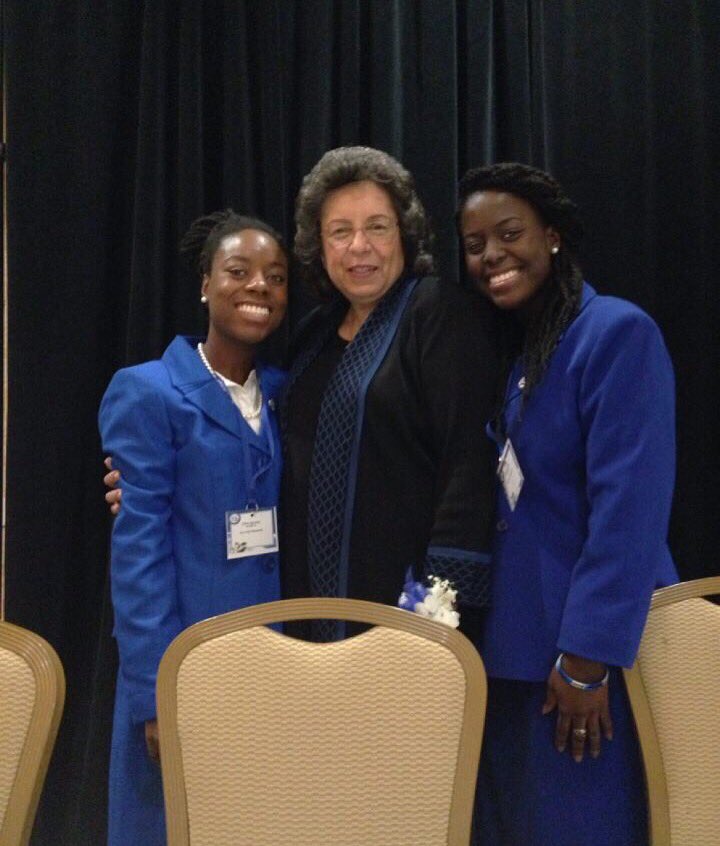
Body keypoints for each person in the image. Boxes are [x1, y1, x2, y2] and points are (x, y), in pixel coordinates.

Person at [457, 162, 677, 845]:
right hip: (516, 655)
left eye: (509, 232)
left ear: (552, 236)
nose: (492, 253)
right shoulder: (525, 354)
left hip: (586, 663)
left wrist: (585, 657)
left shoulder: (615, 332)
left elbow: (630, 508)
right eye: (473, 244)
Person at [99, 211, 289, 846]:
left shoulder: (287, 396)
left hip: (274, 670)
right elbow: (138, 556)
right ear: (206, 284)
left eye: (276, 276)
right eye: (238, 271)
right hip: (188, 672)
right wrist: (157, 693)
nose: (258, 286)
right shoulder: (149, 392)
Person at [281, 146, 497, 641]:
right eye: (341, 231)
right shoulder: (311, 336)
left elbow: (468, 465)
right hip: (301, 613)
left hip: (408, 621)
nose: (360, 246)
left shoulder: (439, 315)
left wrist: (440, 610)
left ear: (404, 233)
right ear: (321, 244)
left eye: (377, 227)